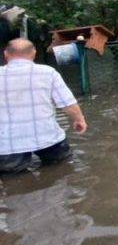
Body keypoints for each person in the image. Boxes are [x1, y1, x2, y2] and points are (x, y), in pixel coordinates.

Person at [0, 38, 87, 174]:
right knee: (62, 170)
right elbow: (67, 102)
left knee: (14, 180)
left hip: (8, 144)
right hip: (48, 136)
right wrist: (79, 119)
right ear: (34, 53)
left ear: (6, 54)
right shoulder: (48, 72)